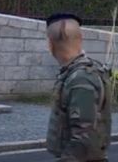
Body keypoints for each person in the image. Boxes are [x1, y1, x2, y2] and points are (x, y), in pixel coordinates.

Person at [45, 12, 111, 162]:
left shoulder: (80, 79)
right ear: (80, 39)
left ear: (50, 44)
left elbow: (83, 138)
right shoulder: (78, 74)